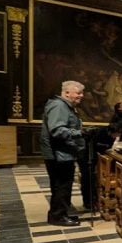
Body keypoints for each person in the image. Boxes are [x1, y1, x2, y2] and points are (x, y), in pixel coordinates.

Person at [40, 80, 86, 227]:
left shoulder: (65, 107)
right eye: (78, 93)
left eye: (81, 93)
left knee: (62, 186)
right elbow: (57, 130)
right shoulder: (59, 106)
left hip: (63, 154)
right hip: (59, 155)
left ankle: (60, 214)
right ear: (66, 93)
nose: (81, 96)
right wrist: (80, 133)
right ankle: (58, 217)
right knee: (61, 186)